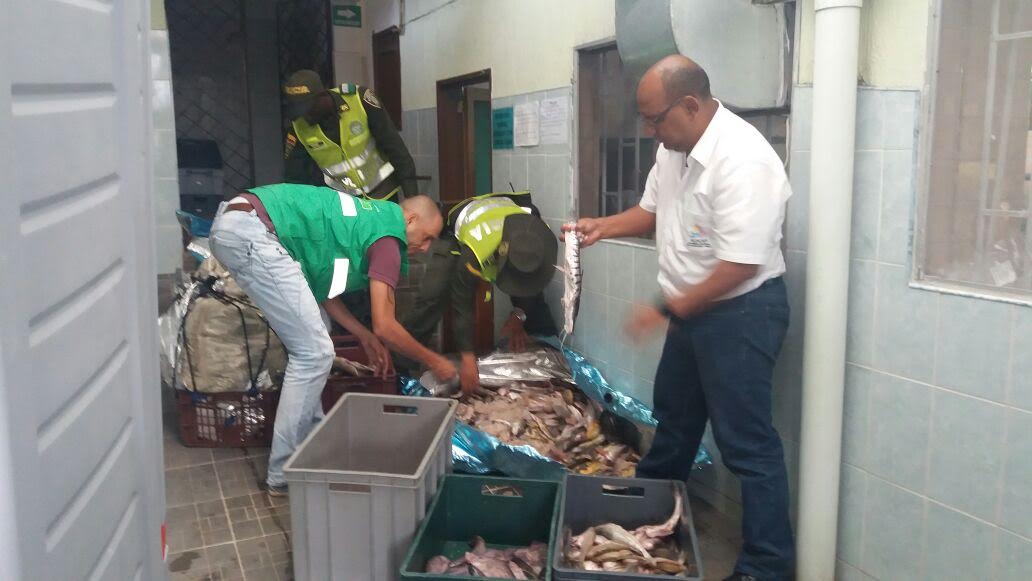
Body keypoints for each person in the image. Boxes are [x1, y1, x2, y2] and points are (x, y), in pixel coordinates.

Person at [564, 56, 794, 581]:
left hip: (741, 315)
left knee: (747, 446)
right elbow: (651, 211)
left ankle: (767, 566)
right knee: (676, 423)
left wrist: (667, 309)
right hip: (695, 313)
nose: (650, 131)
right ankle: (644, 520)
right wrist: (602, 226)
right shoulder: (675, 149)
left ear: (690, 105)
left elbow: (742, 263)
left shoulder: (744, 159)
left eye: (655, 119)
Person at [208, 183, 458, 495]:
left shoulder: (370, 221)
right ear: (410, 220)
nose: (425, 248)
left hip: (239, 224)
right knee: (314, 354)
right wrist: (435, 362)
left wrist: (364, 335)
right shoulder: (388, 238)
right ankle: (283, 474)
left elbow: (324, 293)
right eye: (428, 237)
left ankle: (313, 451)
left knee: (314, 346)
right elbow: (386, 326)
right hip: (253, 231)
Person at [397, 191, 559, 394]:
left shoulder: (537, 236)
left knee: (529, 280)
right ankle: (399, 370)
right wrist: (468, 359)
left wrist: (519, 315)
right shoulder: (475, 251)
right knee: (434, 294)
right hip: (458, 234)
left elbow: (530, 279)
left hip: (506, 233)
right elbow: (462, 302)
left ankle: (550, 359)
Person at [282, 69, 417, 201]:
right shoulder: (297, 128)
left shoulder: (359, 100)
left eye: (309, 108)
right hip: (345, 202)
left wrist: (412, 197)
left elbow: (396, 149)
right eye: (300, 111)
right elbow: (294, 177)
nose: (305, 116)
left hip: (384, 194)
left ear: (323, 94)